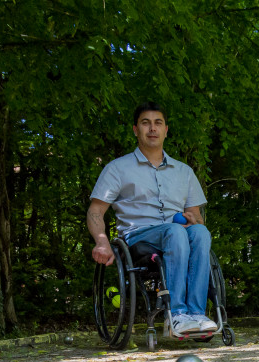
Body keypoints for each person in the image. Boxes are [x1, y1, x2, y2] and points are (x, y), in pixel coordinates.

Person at [87, 102, 216, 337]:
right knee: (175, 232)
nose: (152, 128)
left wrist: (193, 219)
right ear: (136, 129)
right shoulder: (117, 168)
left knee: (201, 232)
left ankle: (196, 314)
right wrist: (102, 241)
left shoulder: (184, 172)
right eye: (146, 123)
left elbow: (196, 216)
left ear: (166, 130)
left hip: (177, 233)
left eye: (158, 123)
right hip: (138, 237)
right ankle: (176, 314)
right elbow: (96, 210)